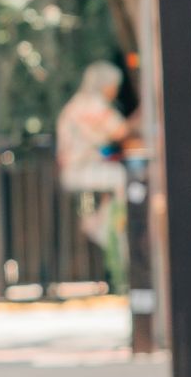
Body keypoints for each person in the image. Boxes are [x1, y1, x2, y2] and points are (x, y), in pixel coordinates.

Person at [55, 61, 133, 283]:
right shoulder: (91, 105)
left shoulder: (79, 103)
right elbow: (121, 131)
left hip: (79, 170)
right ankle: (106, 228)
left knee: (120, 179)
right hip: (80, 172)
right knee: (125, 179)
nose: (115, 90)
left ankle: (105, 223)